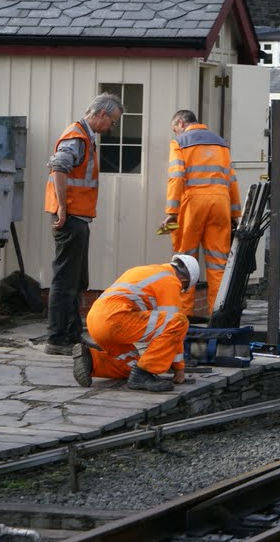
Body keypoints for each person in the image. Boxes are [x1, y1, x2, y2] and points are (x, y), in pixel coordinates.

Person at [43, 93, 124, 355]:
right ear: (101, 115)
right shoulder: (77, 137)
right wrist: (64, 209)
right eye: (112, 121)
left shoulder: (84, 137)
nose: (112, 127)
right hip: (70, 218)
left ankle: (72, 334)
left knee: (77, 280)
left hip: (77, 217)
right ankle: (57, 339)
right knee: (65, 280)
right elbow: (59, 168)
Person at [72, 255, 200, 392]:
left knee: (134, 365)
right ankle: (143, 376)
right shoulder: (170, 280)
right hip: (115, 321)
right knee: (179, 322)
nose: (180, 290)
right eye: (183, 288)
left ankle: (92, 361)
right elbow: (174, 325)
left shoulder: (144, 270)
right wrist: (179, 368)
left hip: (95, 321)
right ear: (184, 280)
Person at [159, 109, 242, 316]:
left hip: (193, 204)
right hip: (221, 204)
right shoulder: (221, 144)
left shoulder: (179, 143)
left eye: (174, 129)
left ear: (180, 122)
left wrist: (172, 211)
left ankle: (183, 315)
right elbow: (232, 179)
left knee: (184, 260)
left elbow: (176, 178)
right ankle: (218, 314)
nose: (175, 133)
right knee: (218, 262)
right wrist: (235, 214)